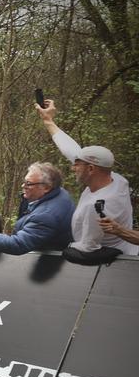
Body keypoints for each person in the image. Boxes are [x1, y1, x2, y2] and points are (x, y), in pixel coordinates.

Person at [37, 99, 136, 258]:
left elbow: (88, 247)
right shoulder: (116, 180)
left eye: (77, 165)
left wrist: (67, 247)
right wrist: (48, 121)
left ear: (90, 169)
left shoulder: (97, 206)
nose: (72, 167)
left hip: (114, 266)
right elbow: (73, 151)